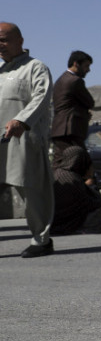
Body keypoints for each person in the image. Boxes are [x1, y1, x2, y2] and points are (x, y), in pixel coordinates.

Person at [0, 22, 56, 257]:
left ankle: (41, 240)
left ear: (20, 41)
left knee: (31, 190)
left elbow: (41, 98)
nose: (0, 45)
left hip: (23, 138)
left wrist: (21, 120)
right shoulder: (1, 72)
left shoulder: (35, 68)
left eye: (3, 39)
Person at [50, 50, 95, 168]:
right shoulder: (75, 81)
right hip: (70, 130)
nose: (88, 70)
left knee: (60, 163)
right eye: (86, 66)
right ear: (76, 64)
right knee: (78, 163)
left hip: (60, 129)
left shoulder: (61, 79)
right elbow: (90, 102)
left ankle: (56, 186)